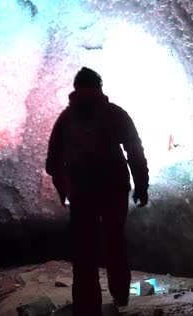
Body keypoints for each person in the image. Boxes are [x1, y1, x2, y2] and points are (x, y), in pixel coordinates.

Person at [46, 67, 149, 316]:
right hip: (114, 187)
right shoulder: (115, 114)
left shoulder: (66, 118)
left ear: (75, 88)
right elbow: (135, 151)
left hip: (82, 192)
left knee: (84, 249)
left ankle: (87, 307)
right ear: (100, 87)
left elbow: (53, 161)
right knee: (115, 240)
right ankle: (120, 294)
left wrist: (64, 190)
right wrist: (141, 186)